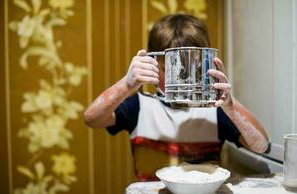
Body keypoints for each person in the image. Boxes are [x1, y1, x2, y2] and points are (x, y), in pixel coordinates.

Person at [84, 14, 269, 181]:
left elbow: (260, 146)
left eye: (189, 71)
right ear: (153, 63)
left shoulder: (215, 111)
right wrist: (126, 85)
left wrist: (229, 104)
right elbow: (92, 119)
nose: (180, 80)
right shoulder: (140, 106)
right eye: (168, 70)